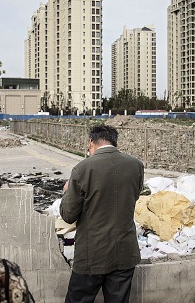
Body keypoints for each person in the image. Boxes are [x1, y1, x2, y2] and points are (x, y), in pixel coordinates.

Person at [60, 125, 144, 303]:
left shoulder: (82, 169)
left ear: (91, 142)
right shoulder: (136, 165)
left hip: (92, 255)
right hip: (125, 252)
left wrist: (67, 191)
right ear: (115, 142)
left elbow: (68, 215)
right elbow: (133, 197)